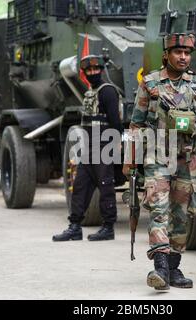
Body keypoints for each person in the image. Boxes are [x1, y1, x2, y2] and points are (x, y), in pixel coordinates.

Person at [124, 33, 196, 290]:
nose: (183, 57)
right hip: (157, 158)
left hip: (186, 159)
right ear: (167, 54)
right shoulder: (151, 83)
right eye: (178, 52)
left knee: (181, 215)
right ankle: (160, 269)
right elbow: (136, 123)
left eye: (187, 53)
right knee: (159, 210)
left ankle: (173, 268)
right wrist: (131, 161)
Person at [53, 55, 123, 241]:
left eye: (96, 70)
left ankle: (108, 228)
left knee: (106, 187)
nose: (93, 73)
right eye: (89, 71)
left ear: (101, 70)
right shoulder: (90, 92)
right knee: (80, 186)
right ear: (84, 73)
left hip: (103, 146)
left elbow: (116, 122)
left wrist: (115, 147)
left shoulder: (107, 91)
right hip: (89, 147)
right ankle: (75, 226)